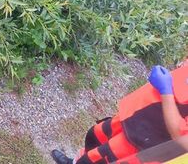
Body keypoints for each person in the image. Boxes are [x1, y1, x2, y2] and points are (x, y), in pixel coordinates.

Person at [51, 62, 188, 164]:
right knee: (95, 137)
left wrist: (166, 91)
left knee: (102, 158)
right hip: (138, 116)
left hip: (148, 142)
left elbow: (182, 139)